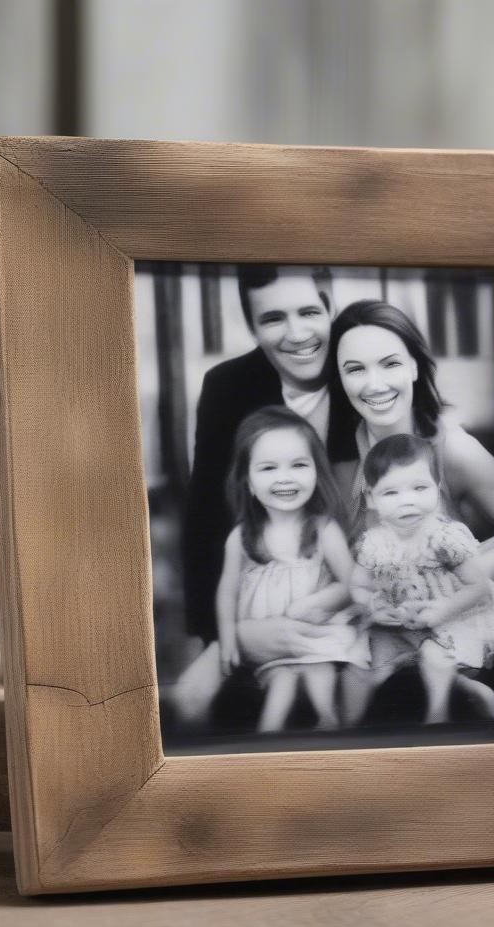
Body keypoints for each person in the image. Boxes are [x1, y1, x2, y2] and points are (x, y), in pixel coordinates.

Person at [173, 266, 359, 724]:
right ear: (253, 327)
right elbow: (204, 513)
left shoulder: (362, 370)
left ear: (330, 308)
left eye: (309, 312)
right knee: (195, 702)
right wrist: (219, 632)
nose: (296, 334)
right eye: (273, 319)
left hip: (346, 585)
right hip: (264, 588)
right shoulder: (228, 386)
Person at [325, 298, 494, 722]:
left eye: (390, 364)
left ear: (415, 366)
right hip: (393, 606)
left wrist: (457, 586)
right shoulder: (343, 464)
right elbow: (354, 563)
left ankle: (455, 689)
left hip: (460, 598)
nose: (375, 384)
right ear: (339, 380)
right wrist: (366, 603)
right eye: (355, 369)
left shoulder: (453, 449)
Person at [209, 407, 364, 731]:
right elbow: (227, 592)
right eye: (268, 468)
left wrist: (320, 602)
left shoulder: (323, 529)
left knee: (318, 670)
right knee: (280, 681)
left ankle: (328, 720)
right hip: (270, 645)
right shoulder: (241, 537)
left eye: (298, 465)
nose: (284, 477)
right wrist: (227, 640)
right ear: (248, 481)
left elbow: (353, 583)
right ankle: (269, 736)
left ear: (316, 474)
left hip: (315, 635)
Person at [350, 434, 494, 724]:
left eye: (419, 488)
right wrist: (372, 606)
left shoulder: (445, 537)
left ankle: (437, 716)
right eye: (391, 493)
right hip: (396, 625)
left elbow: (479, 586)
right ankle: (352, 727)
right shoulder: (374, 542)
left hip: (449, 620)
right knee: (368, 666)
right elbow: (357, 585)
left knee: (435, 658)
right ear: (371, 498)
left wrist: (442, 609)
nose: (407, 502)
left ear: (437, 487)